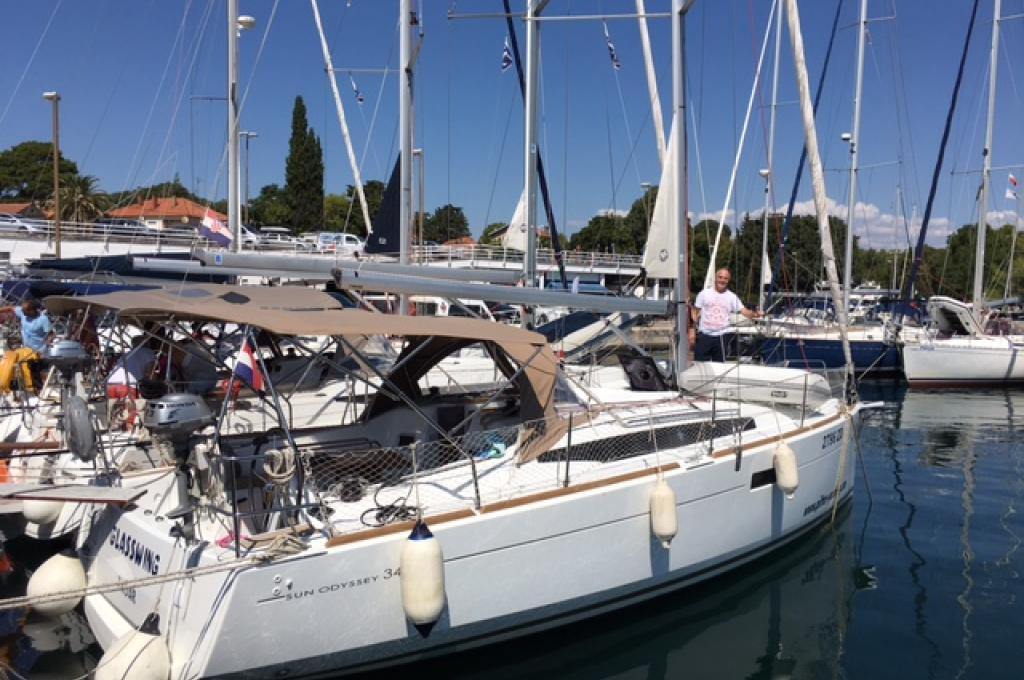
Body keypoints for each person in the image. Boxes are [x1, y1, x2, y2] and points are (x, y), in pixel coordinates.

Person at [689, 268, 762, 362]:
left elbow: (744, 311)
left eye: (725, 278)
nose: (722, 280)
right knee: (699, 364)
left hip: (722, 336)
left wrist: (756, 314)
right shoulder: (704, 294)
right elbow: (695, 314)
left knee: (720, 365)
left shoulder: (732, 297)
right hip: (705, 335)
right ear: (715, 278)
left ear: (728, 280)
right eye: (720, 277)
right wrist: (692, 332)